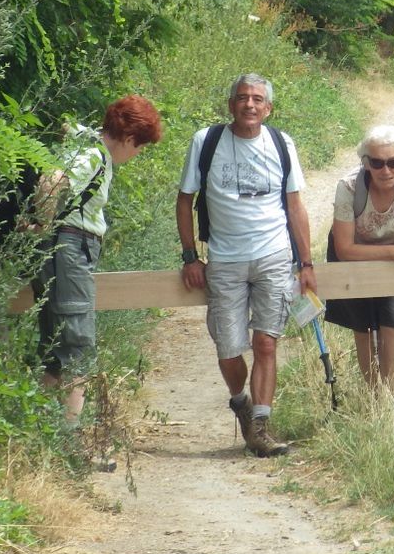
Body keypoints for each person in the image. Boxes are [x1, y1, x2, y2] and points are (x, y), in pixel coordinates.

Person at [176, 73, 317, 458]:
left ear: (268, 108)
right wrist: (191, 256)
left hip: (273, 256)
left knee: (266, 342)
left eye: (257, 99)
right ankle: (240, 400)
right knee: (227, 347)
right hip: (223, 259)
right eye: (242, 98)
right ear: (230, 105)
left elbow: (295, 205)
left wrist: (305, 262)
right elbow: (184, 199)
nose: (250, 105)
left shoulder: (281, 143)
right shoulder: (206, 142)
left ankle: (260, 426)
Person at [35, 94, 163, 427]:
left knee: (55, 348)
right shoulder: (93, 156)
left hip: (63, 249)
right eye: (140, 147)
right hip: (71, 249)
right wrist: (44, 224)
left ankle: (43, 431)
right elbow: (53, 181)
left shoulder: (87, 146)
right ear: (130, 139)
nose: (137, 154)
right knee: (78, 346)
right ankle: (73, 440)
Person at [325, 125, 394, 392]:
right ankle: (376, 397)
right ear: (365, 163)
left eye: (393, 162)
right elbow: (345, 249)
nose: (385, 170)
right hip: (357, 261)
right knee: (363, 328)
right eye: (376, 163)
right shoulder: (349, 187)